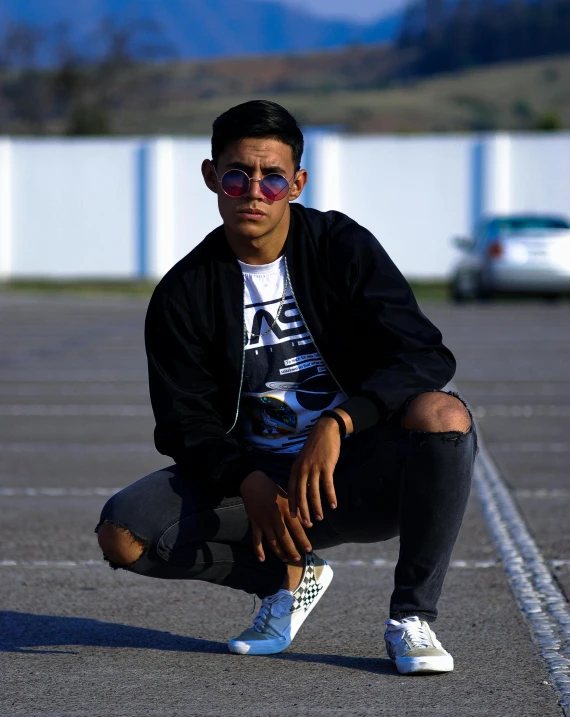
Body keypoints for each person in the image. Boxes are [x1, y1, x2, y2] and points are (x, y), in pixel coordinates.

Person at [96, 100, 476, 675]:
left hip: (357, 473)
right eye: (236, 174)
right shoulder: (183, 293)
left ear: (296, 184)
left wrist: (341, 421)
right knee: (124, 534)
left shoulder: (340, 247)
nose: (254, 190)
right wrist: (244, 478)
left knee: (443, 415)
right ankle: (288, 577)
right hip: (261, 487)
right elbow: (184, 422)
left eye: (272, 178)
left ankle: (411, 617)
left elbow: (424, 354)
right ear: (210, 178)